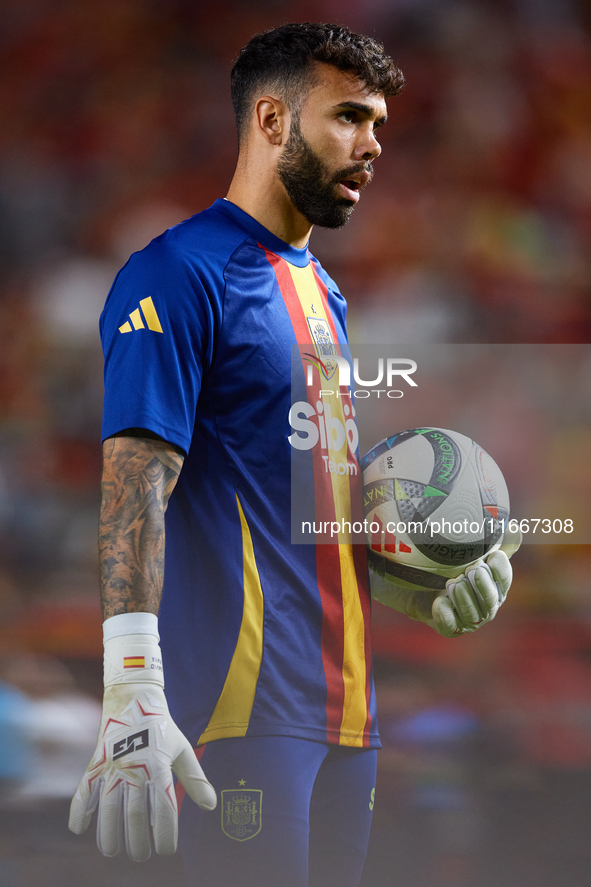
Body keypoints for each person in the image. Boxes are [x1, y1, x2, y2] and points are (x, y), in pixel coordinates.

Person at [68, 22, 515, 887]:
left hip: (347, 717)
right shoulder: (179, 272)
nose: (371, 145)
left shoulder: (323, 290)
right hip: (240, 712)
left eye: (378, 124)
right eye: (348, 117)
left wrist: (409, 578)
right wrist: (131, 686)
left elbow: (294, 499)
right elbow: (133, 482)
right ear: (271, 120)